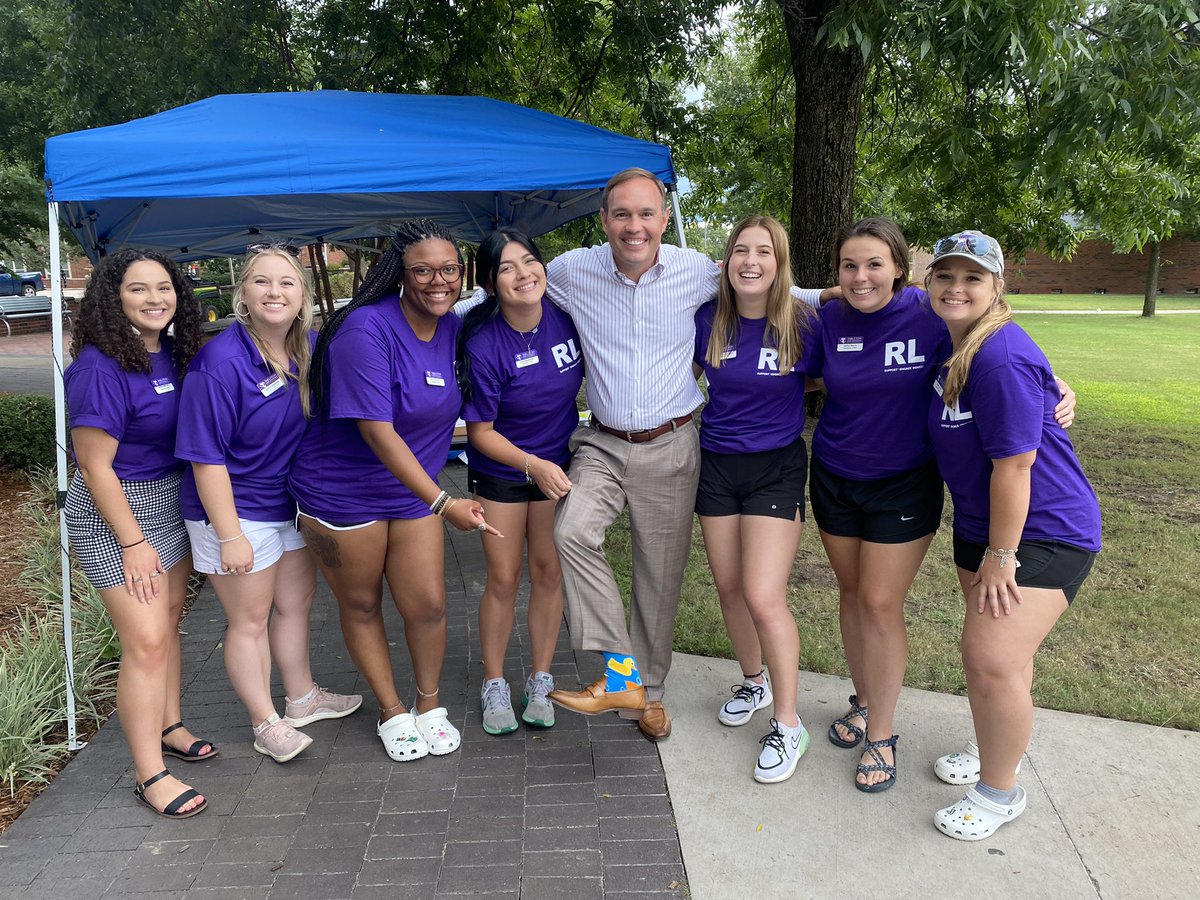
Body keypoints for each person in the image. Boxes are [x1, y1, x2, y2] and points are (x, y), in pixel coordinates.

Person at [546, 169, 825, 741]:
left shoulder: (696, 272)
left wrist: (879, 294)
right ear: (603, 221)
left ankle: (647, 694)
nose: (634, 226)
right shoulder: (572, 270)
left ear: (664, 220)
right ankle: (622, 673)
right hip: (600, 442)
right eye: (621, 214)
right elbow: (512, 288)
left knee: (659, 578)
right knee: (572, 532)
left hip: (672, 444)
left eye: (646, 214)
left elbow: (779, 290)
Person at [810, 217, 1076, 792]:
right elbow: (801, 353)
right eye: (849, 266)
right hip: (834, 474)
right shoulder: (829, 316)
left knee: (880, 603)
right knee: (852, 596)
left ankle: (882, 733)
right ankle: (865, 702)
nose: (861, 276)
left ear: (902, 272)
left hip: (905, 483)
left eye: (875, 264)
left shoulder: (930, 315)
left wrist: (1055, 382)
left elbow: (1002, 347)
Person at [289, 220, 500, 763]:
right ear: (399, 274)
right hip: (344, 495)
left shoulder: (452, 328)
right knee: (362, 604)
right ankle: (391, 710)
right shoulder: (365, 330)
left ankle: (428, 704)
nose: (438, 280)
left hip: (413, 494)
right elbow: (376, 431)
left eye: (449, 269)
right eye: (423, 270)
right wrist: (443, 502)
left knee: (427, 605)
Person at [924, 230, 1100, 840]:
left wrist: (1003, 555)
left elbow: (1016, 465)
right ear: (929, 284)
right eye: (945, 276)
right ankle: (993, 747)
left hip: (1044, 531)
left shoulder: (999, 356)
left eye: (972, 277)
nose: (956, 287)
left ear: (998, 287)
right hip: (981, 526)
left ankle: (1000, 792)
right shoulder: (953, 346)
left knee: (991, 657)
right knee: (1001, 661)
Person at [176, 245, 361, 765]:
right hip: (233, 508)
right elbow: (205, 458)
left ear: (302, 295)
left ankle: (301, 698)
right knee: (249, 620)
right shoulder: (220, 362)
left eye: (286, 283)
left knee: (295, 604)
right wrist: (230, 533)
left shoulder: (308, 348)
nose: (274, 292)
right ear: (242, 294)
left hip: (286, 502)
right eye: (262, 282)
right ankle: (265, 722)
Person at [64, 249, 209, 818]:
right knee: (146, 640)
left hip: (169, 500)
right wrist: (133, 542)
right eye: (138, 289)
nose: (155, 299)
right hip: (116, 513)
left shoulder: (173, 352)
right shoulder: (100, 367)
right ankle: (150, 773)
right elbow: (95, 468)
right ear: (112, 297)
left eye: (164, 287)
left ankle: (169, 722)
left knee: (169, 622)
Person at [694, 215, 820, 783]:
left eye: (763, 252)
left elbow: (828, 376)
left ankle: (789, 725)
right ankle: (753, 681)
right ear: (727, 260)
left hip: (776, 467)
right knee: (729, 588)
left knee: (763, 595)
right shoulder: (707, 319)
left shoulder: (803, 322)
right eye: (741, 250)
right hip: (717, 464)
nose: (751, 261)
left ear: (779, 262)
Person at [458, 229, 582, 735]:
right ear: (490, 283)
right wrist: (532, 464)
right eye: (507, 268)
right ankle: (494, 683)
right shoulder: (484, 342)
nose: (523, 274)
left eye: (529, 261)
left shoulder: (568, 317)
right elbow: (479, 433)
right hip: (504, 472)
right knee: (505, 579)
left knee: (549, 574)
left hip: (559, 468)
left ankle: (541, 679)